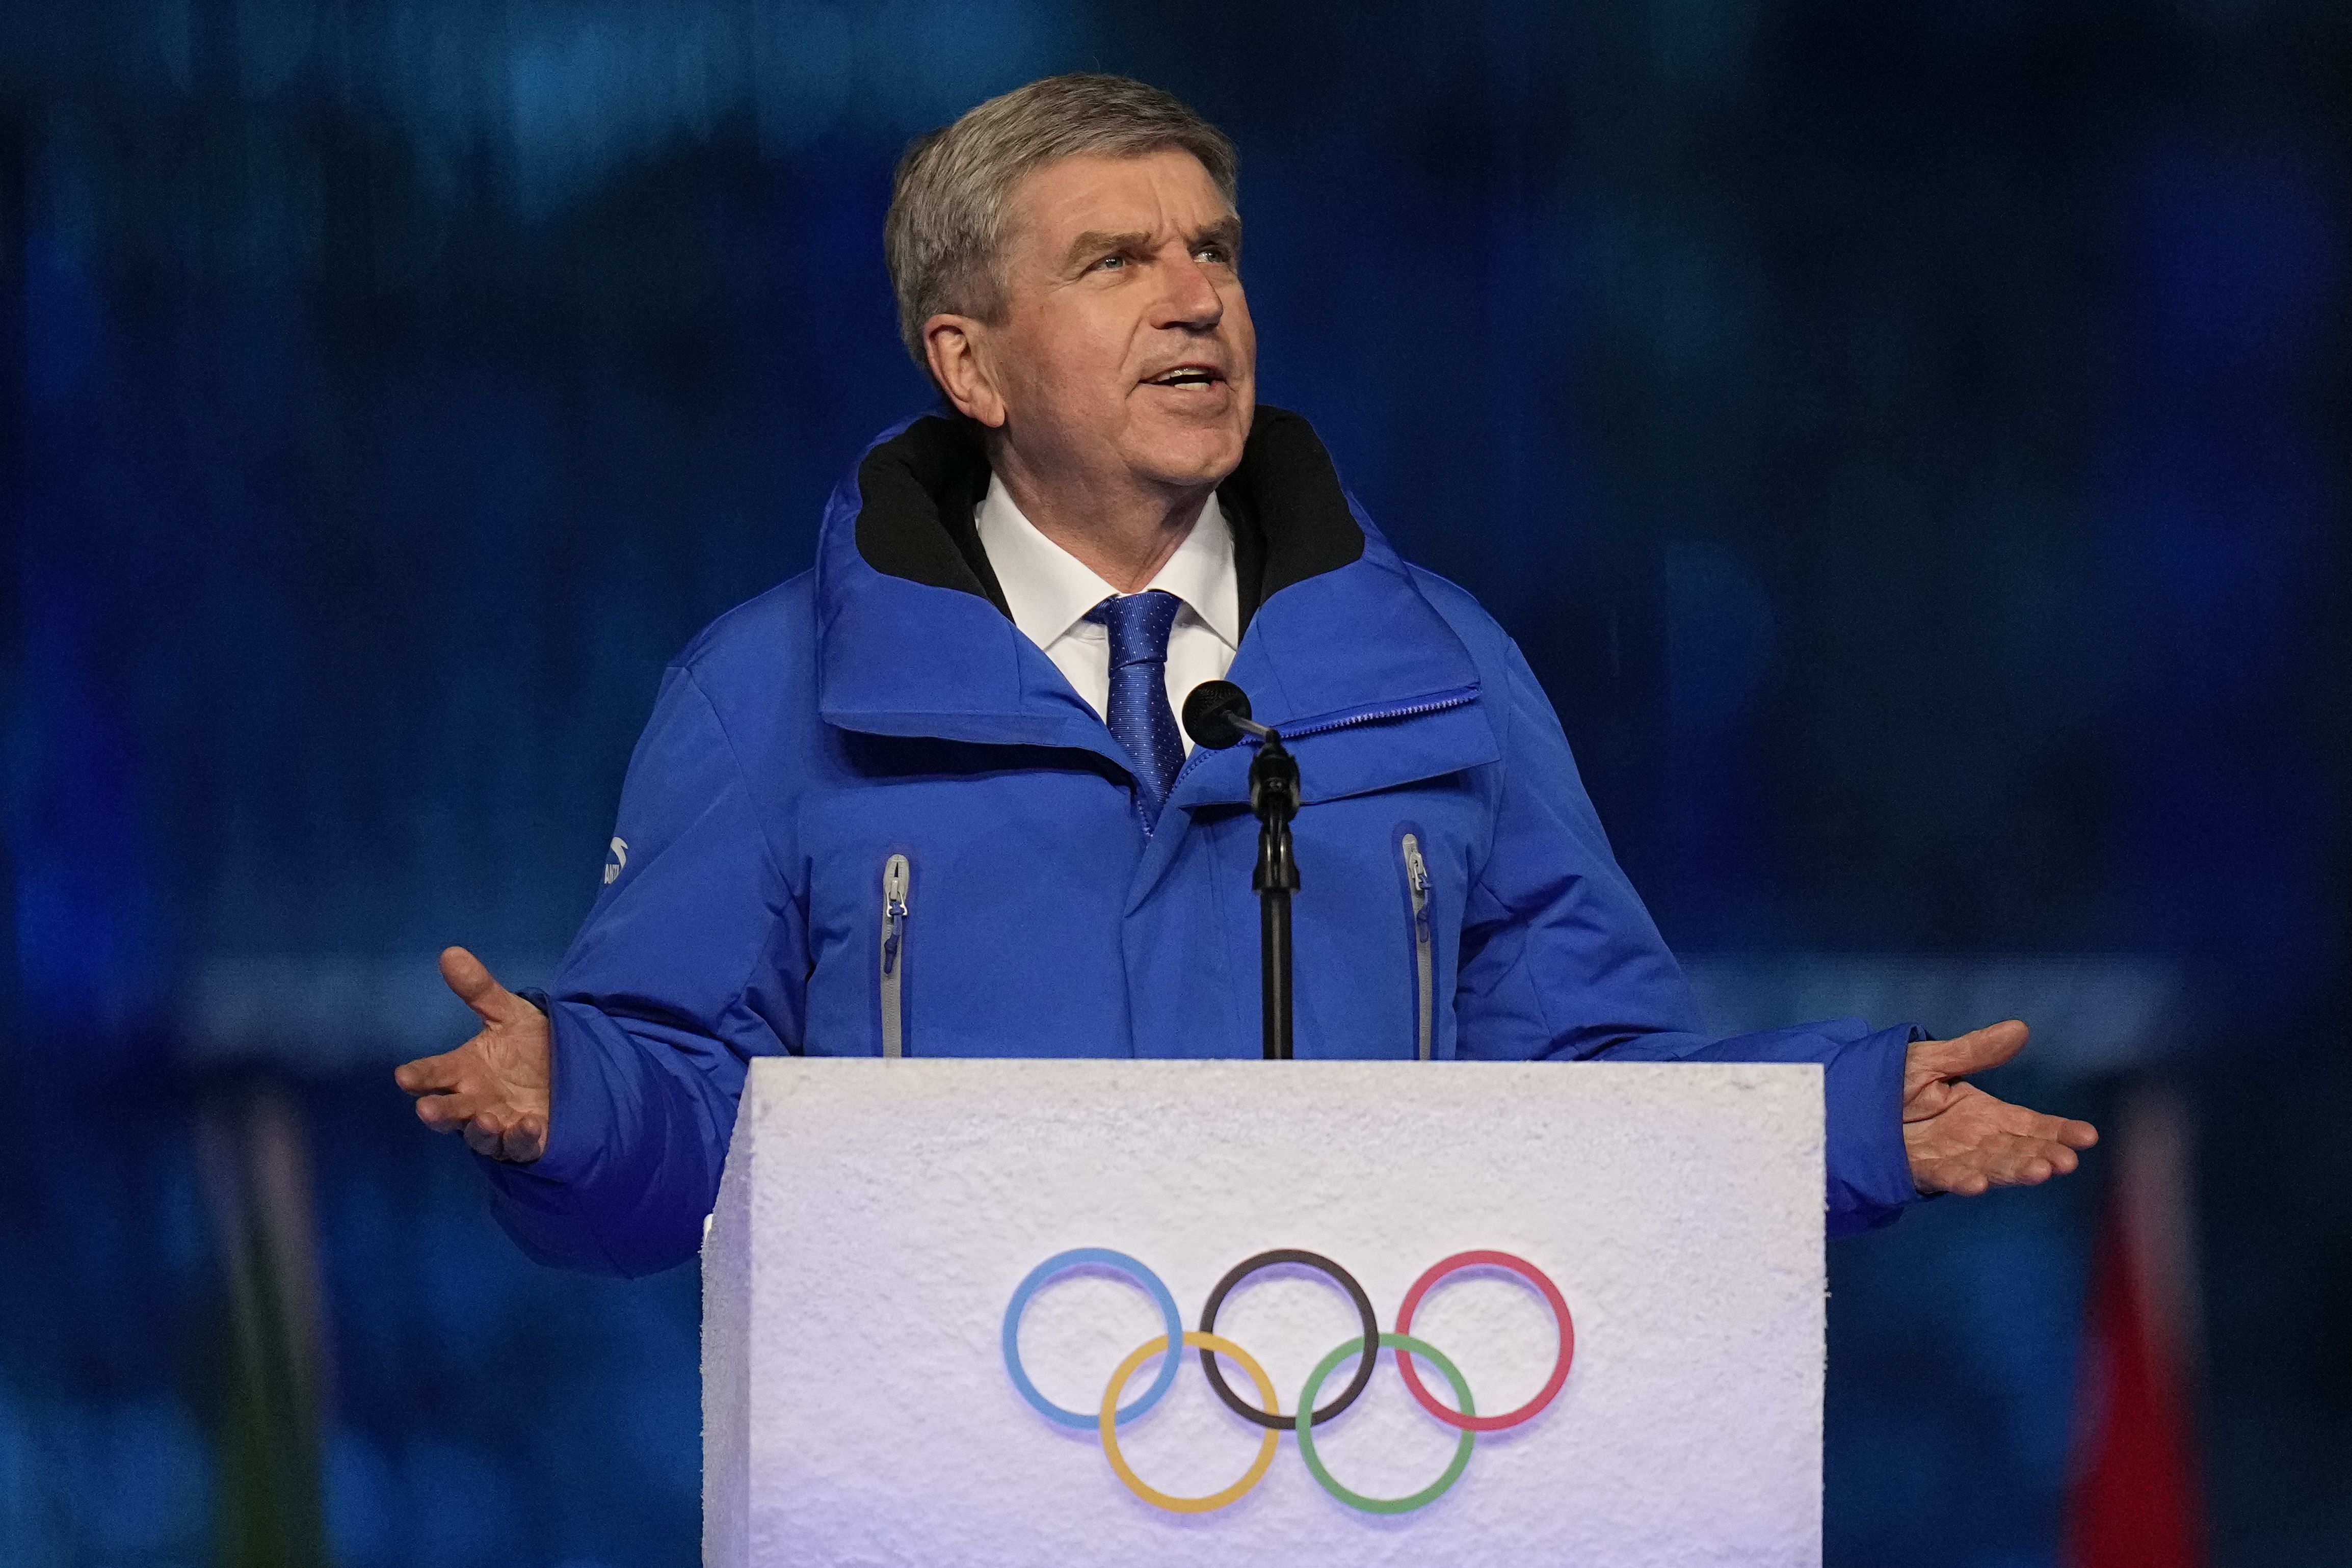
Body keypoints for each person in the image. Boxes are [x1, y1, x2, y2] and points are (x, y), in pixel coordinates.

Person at [394, 74, 2095, 1277]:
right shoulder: (766, 691)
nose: (1195, 297)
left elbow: (1587, 1096)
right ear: (970, 363)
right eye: (1116, 262)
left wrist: (1845, 1123)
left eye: (1213, 250)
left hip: (1362, 1474)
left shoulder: (1437, 667)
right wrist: (583, 1101)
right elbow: (686, 1123)